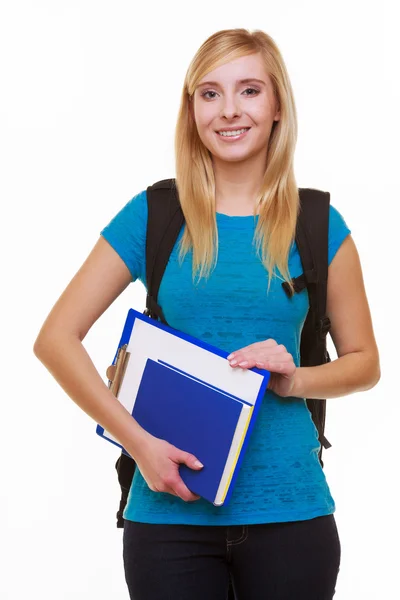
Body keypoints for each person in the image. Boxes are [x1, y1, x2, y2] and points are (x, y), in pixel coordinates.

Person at [34, 28, 380, 600]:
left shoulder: (318, 223)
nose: (229, 111)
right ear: (191, 108)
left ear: (276, 107)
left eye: (248, 90)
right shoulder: (153, 214)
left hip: (291, 511)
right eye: (210, 93)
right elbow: (56, 338)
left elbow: (364, 364)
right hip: (168, 518)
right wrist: (139, 445)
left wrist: (295, 380)